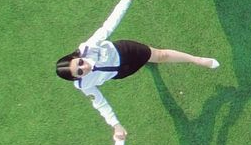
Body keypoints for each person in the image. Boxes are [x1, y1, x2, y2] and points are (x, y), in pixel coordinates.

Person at [56, 39, 219, 128]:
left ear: (76, 57)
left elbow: (109, 23)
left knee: (159, 55)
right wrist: (116, 125)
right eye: (79, 72)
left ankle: (197, 60)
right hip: (122, 71)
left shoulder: (88, 47)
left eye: (79, 63)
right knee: (147, 61)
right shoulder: (83, 85)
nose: (84, 67)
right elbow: (100, 103)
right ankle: (148, 62)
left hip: (125, 50)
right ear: (76, 78)